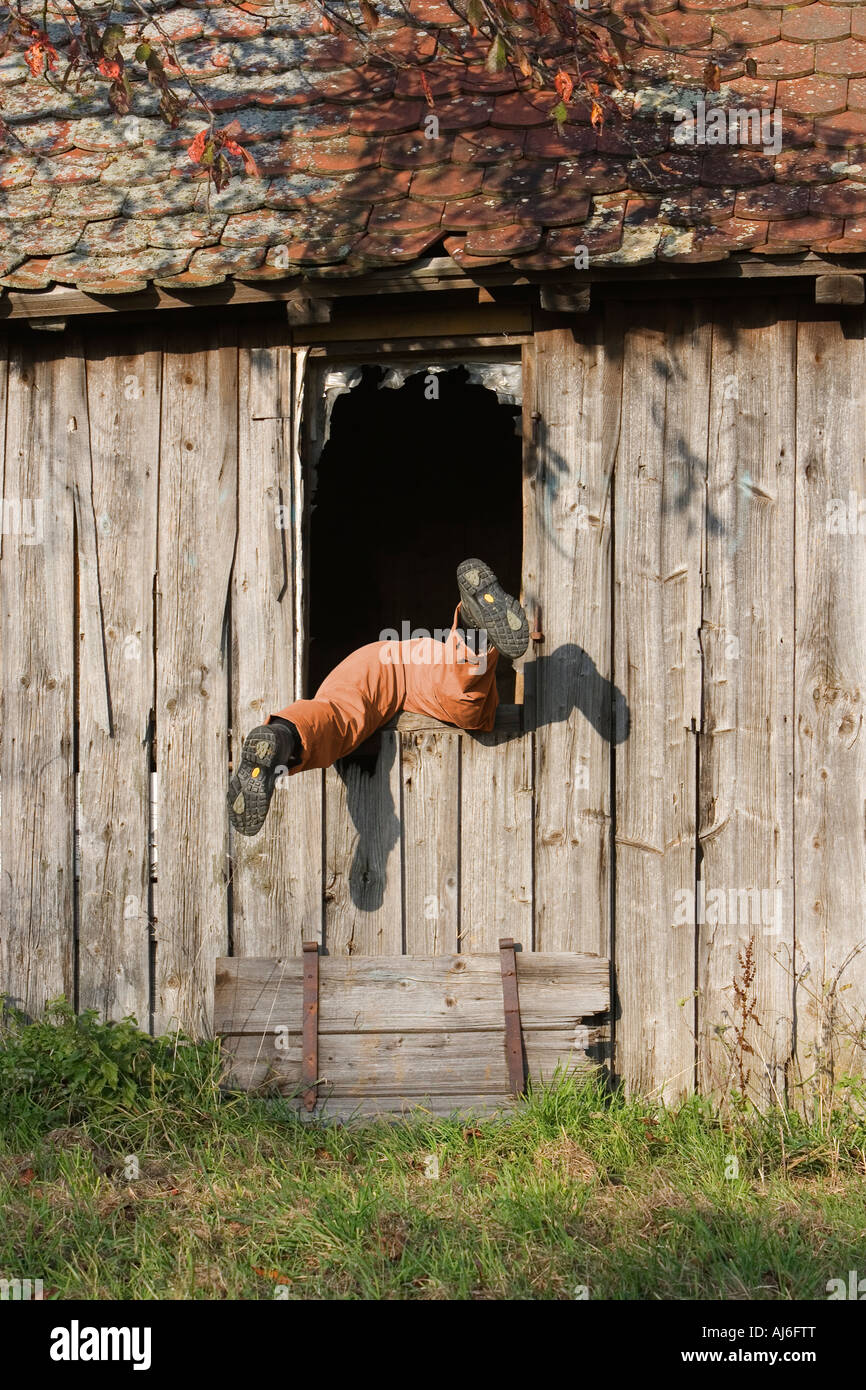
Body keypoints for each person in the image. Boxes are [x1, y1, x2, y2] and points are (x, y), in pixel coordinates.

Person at [227, 558, 529, 837]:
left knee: (334, 715)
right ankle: (470, 624)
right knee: (466, 700)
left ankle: (282, 736)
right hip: (422, 657)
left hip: (373, 659)